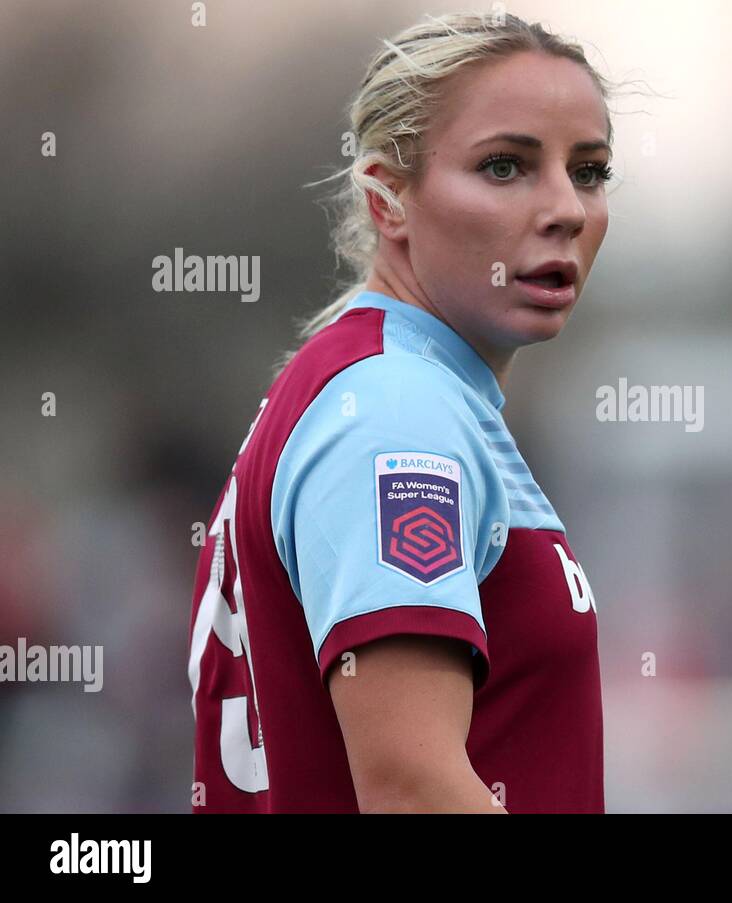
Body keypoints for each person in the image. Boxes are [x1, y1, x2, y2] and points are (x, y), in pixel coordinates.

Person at [187, 11, 614, 813]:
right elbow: (412, 790)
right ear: (388, 199)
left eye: (588, 170)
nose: (566, 208)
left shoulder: (377, 385)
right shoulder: (394, 412)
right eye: (504, 166)